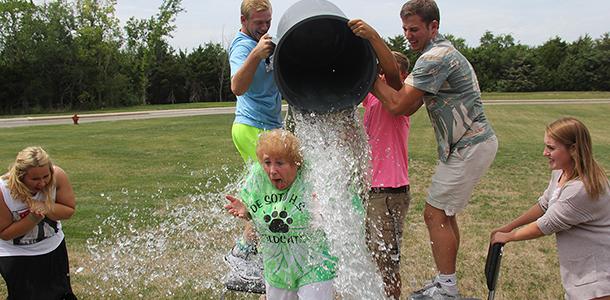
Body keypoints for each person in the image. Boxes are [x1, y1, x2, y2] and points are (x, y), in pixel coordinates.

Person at [349, 0, 498, 298]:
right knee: (445, 214)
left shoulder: (436, 58)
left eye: (414, 29)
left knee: (434, 214)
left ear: (434, 26)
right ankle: (446, 283)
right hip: (469, 145)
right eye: (405, 29)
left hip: (469, 144)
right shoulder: (437, 55)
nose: (408, 35)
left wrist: (365, 73)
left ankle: (446, 288)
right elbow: (412, 101)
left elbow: (400, 104)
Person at [491, 117, 610, 300]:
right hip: (581, 274)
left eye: (551, 148)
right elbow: (544, 204)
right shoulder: (561, 173)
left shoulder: (580, 189)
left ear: (573, 149)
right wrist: (509, 226)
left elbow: (545, 225)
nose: (544, 153)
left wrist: (509, 237)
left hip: (597, 279)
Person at [224, 129, 337, 300]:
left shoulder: (312, 177)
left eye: (280, 163)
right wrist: (248, 213)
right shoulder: (258, 178)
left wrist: (325, 206)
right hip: (277, 265)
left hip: (315, 262)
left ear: (295, 164)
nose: (272, 170)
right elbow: (261, 221)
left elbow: (336, 215)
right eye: (267, 162)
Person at [226, 0, 283, 285]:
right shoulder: (243, 46)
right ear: (243, 20)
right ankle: (241, 254)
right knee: (266, 195)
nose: (264, 27)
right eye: (258, 22)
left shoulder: (265, 41)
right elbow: (237, 87)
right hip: (251, 128)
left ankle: (257, 253)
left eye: (267, 21)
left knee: (272, 191)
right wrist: (255, 55)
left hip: (269, 128)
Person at [362, 51, 412, 300]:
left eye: (385, 71)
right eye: (377, 71)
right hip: (373, 191)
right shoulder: (372, 101)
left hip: (390, 192)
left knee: (386, 262)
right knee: (371, 256)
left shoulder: (401, 101)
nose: (379, 76)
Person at [0, 146, 77, 299]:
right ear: (20, 176)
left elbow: (69, 210)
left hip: (52, 247)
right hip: (15, 252)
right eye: (35, 179)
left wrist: (46, 207)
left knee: (61, 294)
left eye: (45, 176)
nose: (42, 183)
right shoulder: (3, 190)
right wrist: (32, 218)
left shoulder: (58, 176)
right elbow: (5, 233)